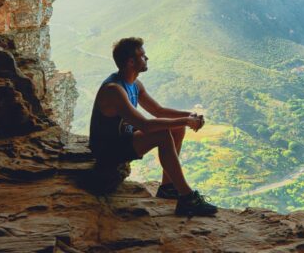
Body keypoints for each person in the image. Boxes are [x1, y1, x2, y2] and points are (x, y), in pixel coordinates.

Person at [89, 36, 218, 217]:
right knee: (163, 135)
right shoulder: (114, 90)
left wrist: (188, 116)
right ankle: (187, 198)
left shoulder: (134, 84)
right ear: (131, 62)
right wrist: (186, 121)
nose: (146, 58)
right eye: (142, 56)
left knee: (176, 128)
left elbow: (158, 110)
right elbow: (145, 125)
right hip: (108, 149)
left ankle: (168, 187)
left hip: (123, 139)